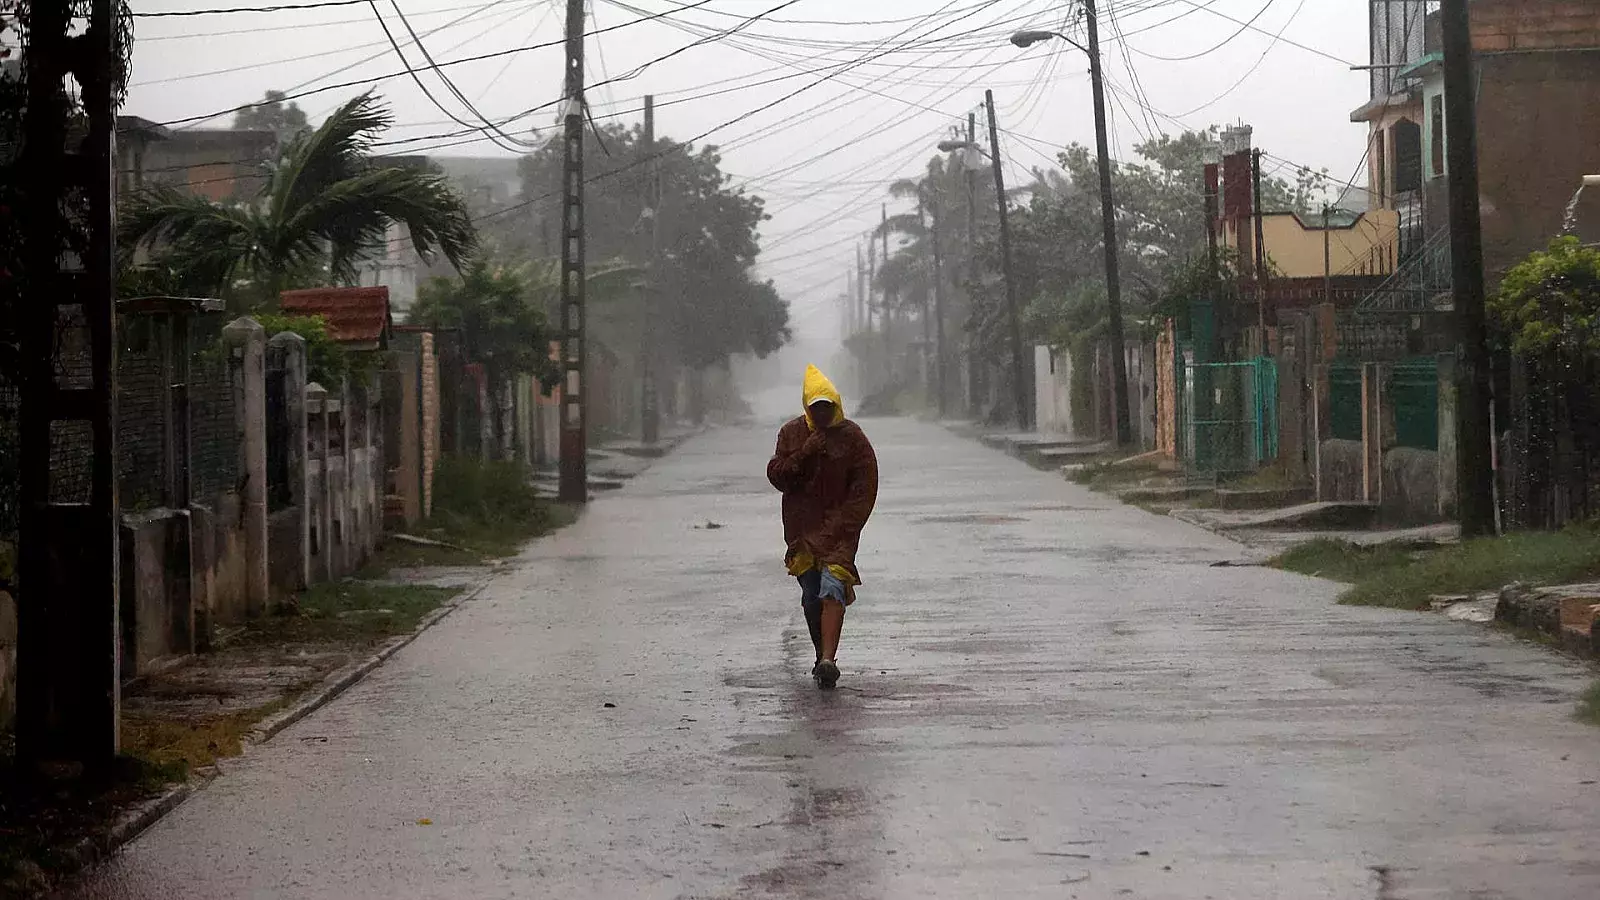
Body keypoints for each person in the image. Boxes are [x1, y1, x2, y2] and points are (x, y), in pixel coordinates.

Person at [765, 365, 879, 689]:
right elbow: (779, 476)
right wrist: (805, 453)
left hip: (840, 532)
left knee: (833, 588)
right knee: (811, 597)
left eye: (827, 407)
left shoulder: (853, 437)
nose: (823, 414)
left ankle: (829, 659)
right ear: (807, 407)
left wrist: (845, 524)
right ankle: (820, 655)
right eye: (816, 408)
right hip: (803, 533)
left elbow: (865, 484)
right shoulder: (791, 434)